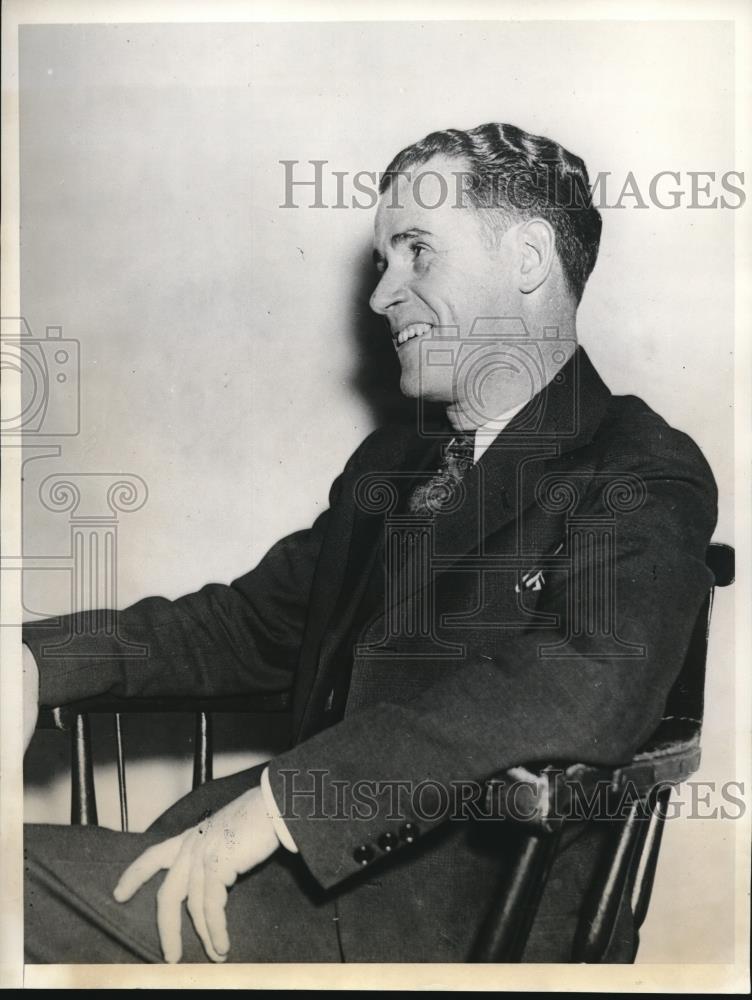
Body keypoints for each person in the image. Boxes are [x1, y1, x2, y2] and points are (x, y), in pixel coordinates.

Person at [22, 122, 718, 964]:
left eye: (417, 251)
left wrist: (286, 802)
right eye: (385, 261)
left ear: (529, 259)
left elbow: (583, 685)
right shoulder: (396, 462)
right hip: (302, 885)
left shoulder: (639, 465)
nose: (382, 294)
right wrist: (31, 660)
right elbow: (245, 625)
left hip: (457, 928)